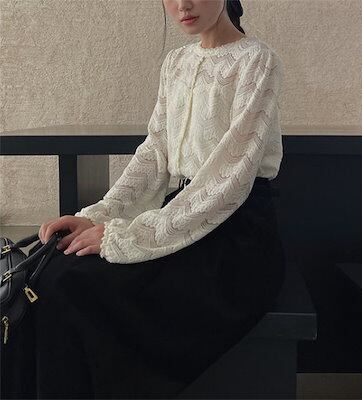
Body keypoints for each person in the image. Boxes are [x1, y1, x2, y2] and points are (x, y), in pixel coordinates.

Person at [1, 0, 286, 398]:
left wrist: (126, 236)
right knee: (51, 273)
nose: (182, 4)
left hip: (234, 238)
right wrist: (98, 215)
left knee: (73, 285)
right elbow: (154, 154)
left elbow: (230, 176)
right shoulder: (176, 63)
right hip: (179, 215)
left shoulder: (257, 60)